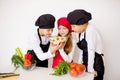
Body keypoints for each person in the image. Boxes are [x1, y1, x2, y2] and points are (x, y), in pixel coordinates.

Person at [67, 9, 105, 80]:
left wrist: (91, 69)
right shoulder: (81, 31)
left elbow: (91, 51)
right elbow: (82, 50)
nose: (72, 29)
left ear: (83, 24)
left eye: (74, 26)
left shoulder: (91, 31)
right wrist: (80, 63)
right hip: (86, 61)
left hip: (95, 63)